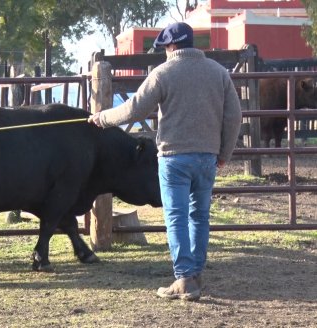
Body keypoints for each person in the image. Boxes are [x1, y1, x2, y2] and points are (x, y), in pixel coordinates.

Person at [88, 22, 242, 301]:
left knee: (176, 216)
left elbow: (134, 109)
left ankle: (183, 279)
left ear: (171, 46)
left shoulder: (163, 73)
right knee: (199, 215)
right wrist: (224, 154)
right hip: (207, 157)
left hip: (174, 157)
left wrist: (102, 118)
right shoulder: (219, 73)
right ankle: (194, 274)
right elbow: (234, 117)